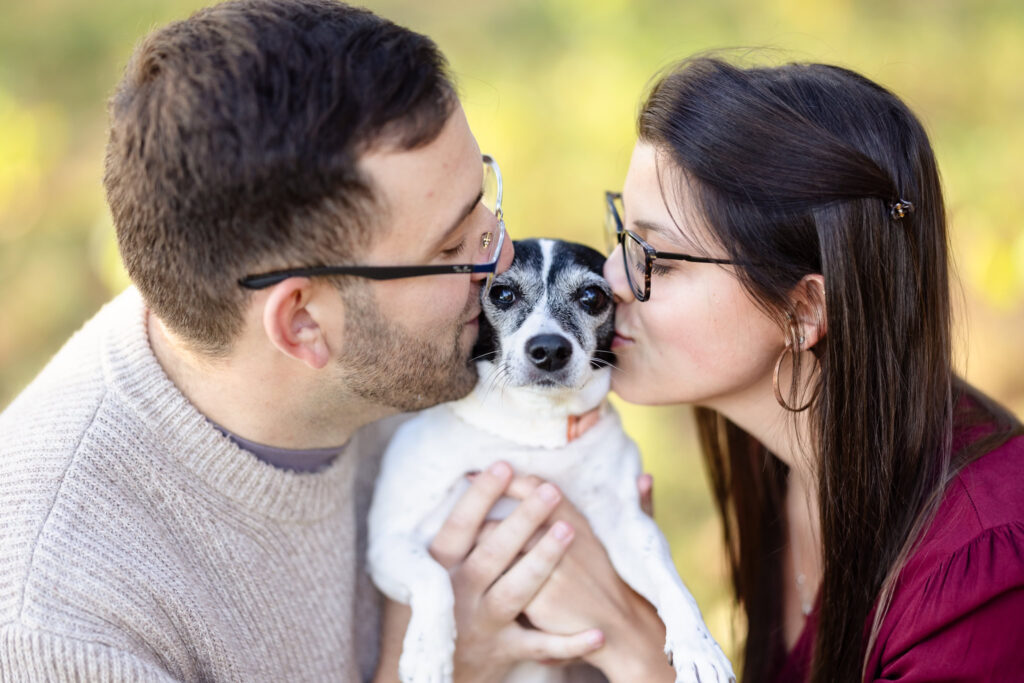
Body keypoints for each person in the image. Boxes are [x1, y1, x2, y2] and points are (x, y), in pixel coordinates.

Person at [0, 0, 620, 679]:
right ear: (302, 323)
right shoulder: (60, 616)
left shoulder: (425, 357)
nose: (503, 262)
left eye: (486, 203)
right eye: (453, 245)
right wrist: (443, 667)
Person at [598, 56, 1024, 681]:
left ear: (803, 310)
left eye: (655, 259)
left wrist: (642, 650)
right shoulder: (784, 461)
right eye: (618, 230)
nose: (609, 279)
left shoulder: (984, 581)